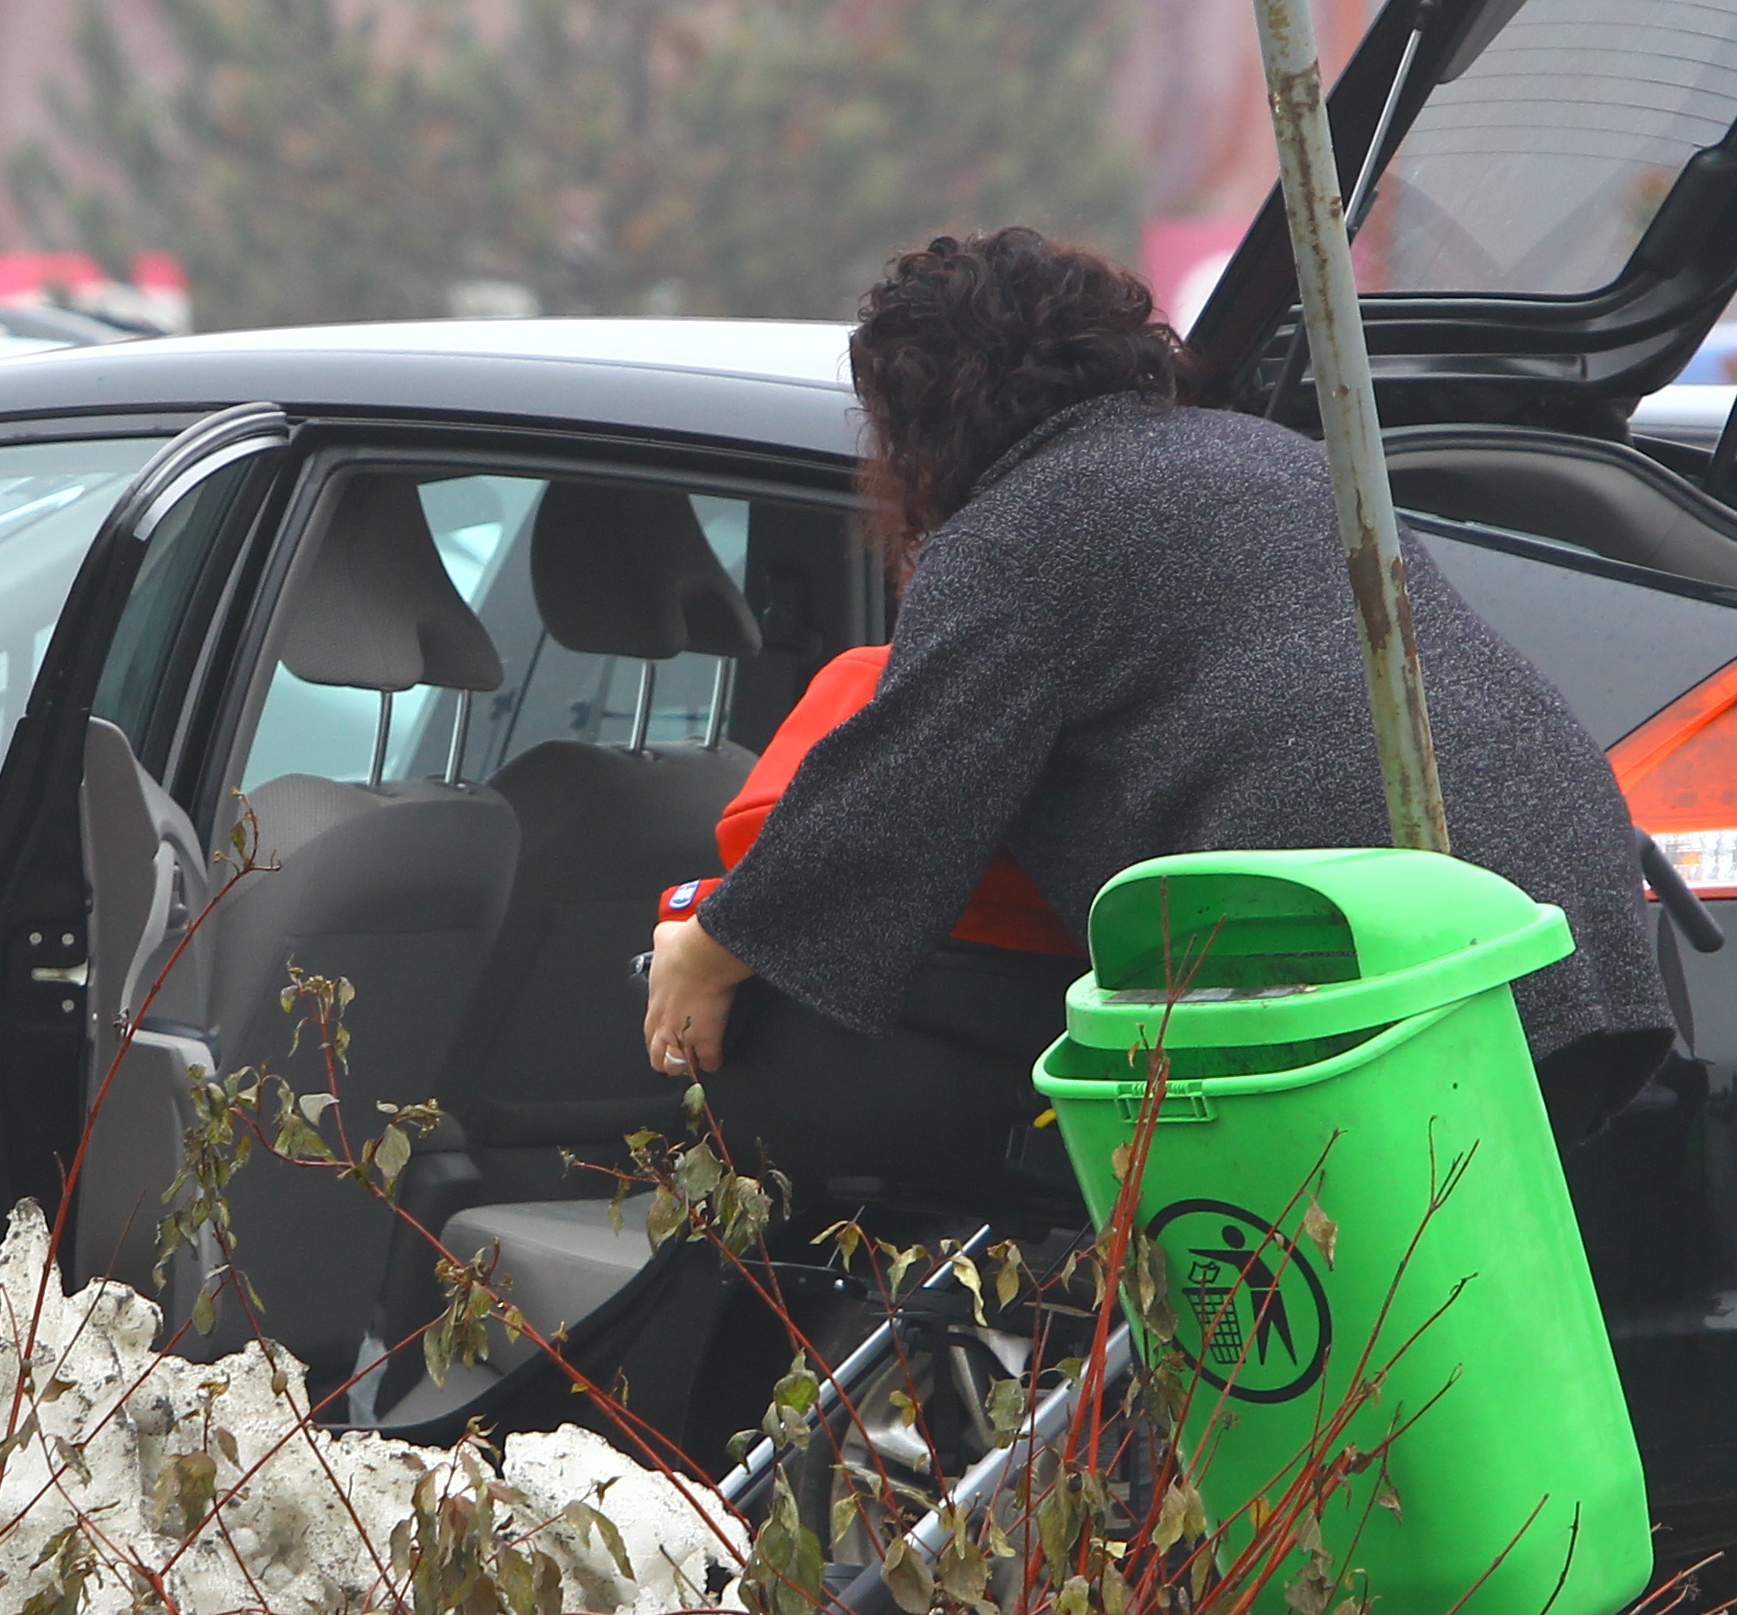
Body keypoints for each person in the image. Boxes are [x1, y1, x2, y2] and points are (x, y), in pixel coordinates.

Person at [645, 227, 1676, 1222]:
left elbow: (902, 787)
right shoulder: (1265, 457)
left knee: (1311, 1339)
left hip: (1359, 974)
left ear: (922, 418)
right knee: (1408, 1339)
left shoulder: (1023, 527)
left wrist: (718, 946)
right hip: (1568, 940)